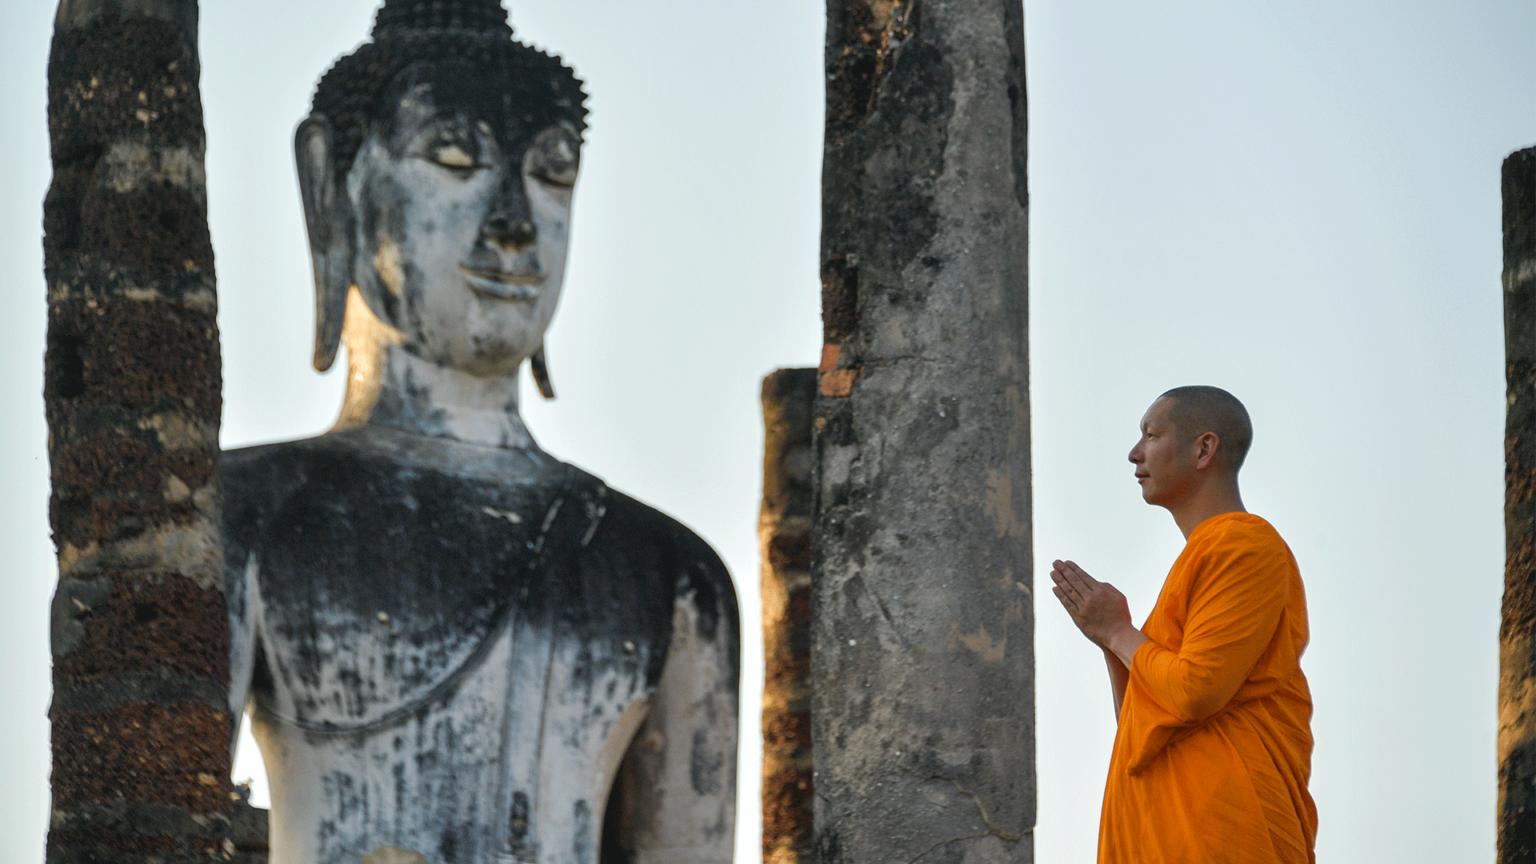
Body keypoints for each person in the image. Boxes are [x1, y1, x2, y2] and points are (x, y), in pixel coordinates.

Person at [221, 3, 739, 863]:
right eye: (455, 158)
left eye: (552, 174)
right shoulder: (248, 519)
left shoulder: (667, 574)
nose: (515, 223)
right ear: (330, 185)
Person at [1050, 386, 1316, 864]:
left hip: (1223, 832)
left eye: (1151, 435)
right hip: (1159, 836)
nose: (1134, 453)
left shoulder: (1245, 546)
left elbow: (1195, 691)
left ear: (1204, 449)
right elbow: (1142, 727)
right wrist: (1112, 643)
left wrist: (1118, 632)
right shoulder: (1197, 561)